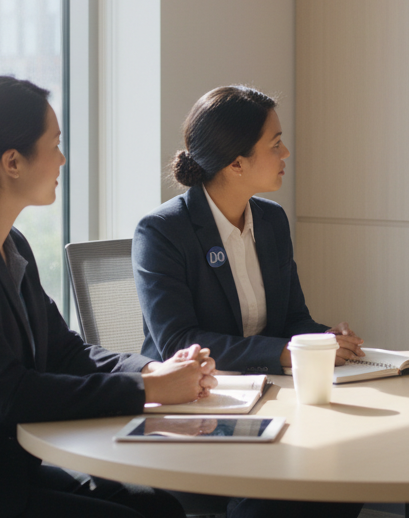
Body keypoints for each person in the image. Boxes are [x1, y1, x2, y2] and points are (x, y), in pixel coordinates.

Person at [0, 76, 216, 518]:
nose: (63, 158)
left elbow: (64, 352)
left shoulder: (10, 245)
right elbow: (8, 394)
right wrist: (146, 390)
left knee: (160, 507)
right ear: (12, 162)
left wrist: (154, 368)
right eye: (55, 144)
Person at [133, 85, 362, 518]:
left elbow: (294, 319)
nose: (286, 153)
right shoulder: (162, 232)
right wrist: (282, 351)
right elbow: (177, 341)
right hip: (196, 411)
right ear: (236, 163)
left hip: (272, 401)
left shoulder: (272, 221)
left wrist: (324, 339)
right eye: (275, 145)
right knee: (287, 494)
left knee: (347, 470)